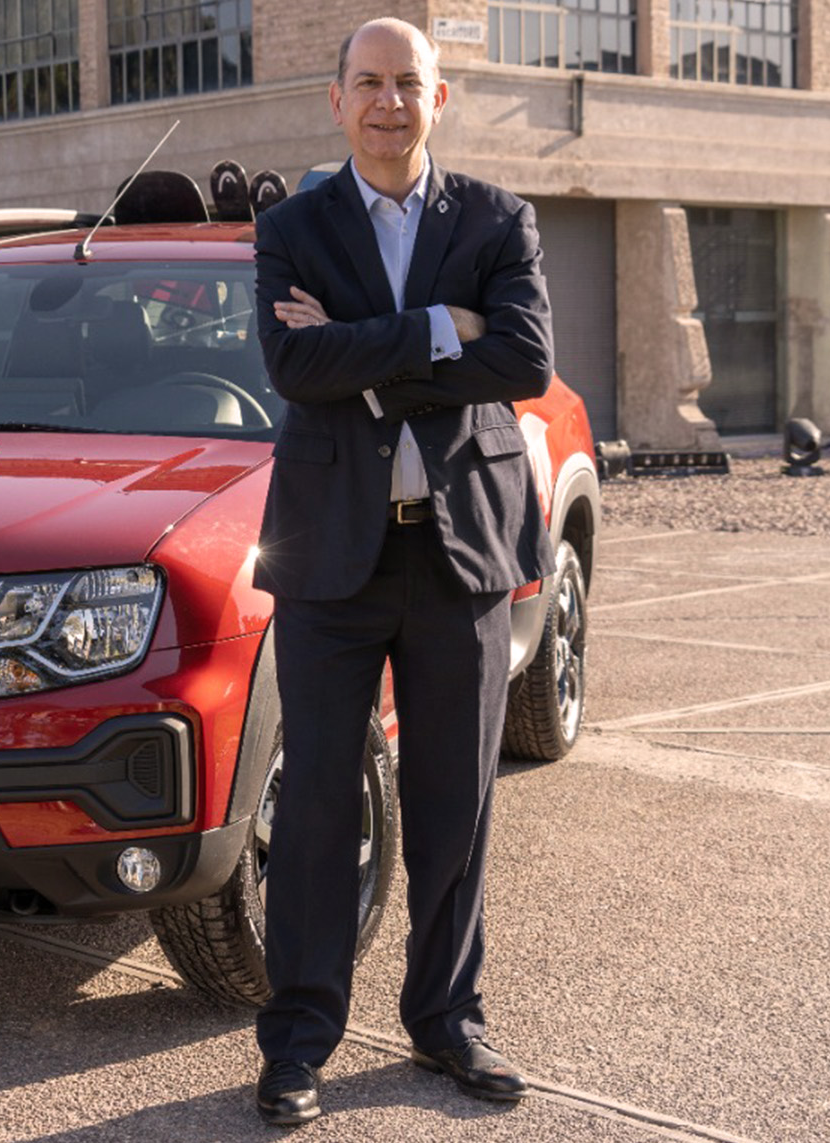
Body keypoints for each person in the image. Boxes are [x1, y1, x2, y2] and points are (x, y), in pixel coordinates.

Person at [249, 16, 555, 1127]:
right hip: (330, 561)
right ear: (336, 101)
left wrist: (362, 352)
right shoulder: (290, 226)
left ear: (441, 99)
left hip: (460, 551)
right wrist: (435, 327)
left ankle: (447, 1022)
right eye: (367, 83)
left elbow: (522, 359)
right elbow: (291, 361)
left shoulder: (494, 218)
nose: (388, 102)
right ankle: (296, 1042)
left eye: (407, 84)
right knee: (320, 808)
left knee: (452, 809)